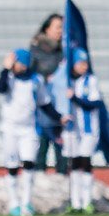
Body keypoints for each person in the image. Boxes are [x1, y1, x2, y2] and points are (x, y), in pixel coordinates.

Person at [0, 49, 61, 216]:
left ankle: (27, 202)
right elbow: (0, 88)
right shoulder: (8, 77)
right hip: (10, 128)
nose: (18, 66)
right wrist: (5, 68)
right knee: (11, 165)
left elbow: (44, 103)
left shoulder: (36, 80)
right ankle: (14, 202)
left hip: (29, 128)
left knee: (29, 162)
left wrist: (59, 117)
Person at [62, 48, 102, 214]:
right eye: (80, 63)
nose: (84, 66)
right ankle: (75, 201)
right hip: (72, 130)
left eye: (86, 63)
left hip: (88, 129)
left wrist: (75, 98)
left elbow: (93, 103)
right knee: (74, 163)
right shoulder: (66, 81)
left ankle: (87, 200)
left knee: (86, 162)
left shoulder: (91, 81)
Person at [29, 14, 67, 175]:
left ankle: (64, 186)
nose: (61, 31)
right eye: (58, 27)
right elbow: (30, 75)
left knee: (63, 153)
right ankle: (39, 187)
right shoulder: (36, 50)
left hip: (62, 107)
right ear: (47, 29)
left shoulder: (66, 51)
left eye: (63, 27)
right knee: (40, 150)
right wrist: (47, 78)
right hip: (42, 110)